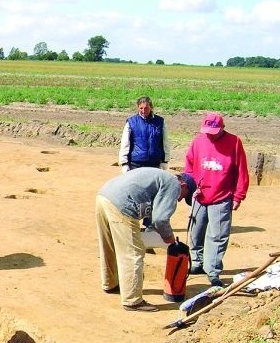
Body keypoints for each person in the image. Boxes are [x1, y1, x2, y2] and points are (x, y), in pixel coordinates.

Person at [95, 169, 196, 312]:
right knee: (133, 253)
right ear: (184, 185)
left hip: (104, 195)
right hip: (122, 205)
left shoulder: (161, 176)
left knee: (109, 245)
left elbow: (154, 213)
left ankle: (110, 283)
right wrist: (169, 238)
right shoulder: (174, 185)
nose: (179, 200)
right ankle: (133, 301)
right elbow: (160, 219)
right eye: (184, 196)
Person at [184, 112, 250, 288]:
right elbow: (189, 166)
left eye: (213, 131)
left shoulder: (234, 143)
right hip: (199, 196)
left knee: (218, 235)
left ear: (222, 128)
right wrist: (191, 186)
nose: (209, 135)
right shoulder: (198, 141)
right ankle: (197, 263)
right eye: (207, 131)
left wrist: (239, 195)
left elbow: (241, 171)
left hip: (222, 197)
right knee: (196, 232)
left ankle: (212, 270)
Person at [119, 96, 170, 172]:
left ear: (151, 107)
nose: (143, 110)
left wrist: (165, 161)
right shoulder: (131, 122)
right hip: (136, 164)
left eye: (146, 108)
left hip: (154, 164)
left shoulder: (160, 122)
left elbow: (165, 142)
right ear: (138, 108)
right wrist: (124, 163)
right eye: (141, 108)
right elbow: (125, 143)